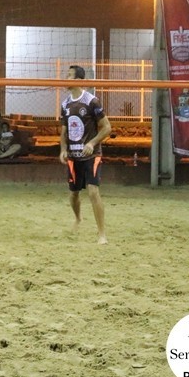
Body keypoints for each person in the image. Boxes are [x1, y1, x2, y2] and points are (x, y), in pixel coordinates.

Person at [59, 65, 112, 245]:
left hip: (91, 154)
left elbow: (107, 127)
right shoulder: (65, 104)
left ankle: (102, 234)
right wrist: (63, 150)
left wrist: (92, 143)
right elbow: (63, 132)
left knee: (93, 191)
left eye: (69, 75)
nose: (66, 78)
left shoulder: (91, 101)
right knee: (74, 194)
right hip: (73, 156)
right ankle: (78, 218)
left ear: (79, 81)